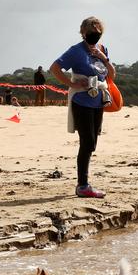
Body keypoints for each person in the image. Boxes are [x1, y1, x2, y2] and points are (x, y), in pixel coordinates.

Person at [49, 16, 116, 199]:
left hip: (98, 100)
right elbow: (54, 68)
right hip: (81, 101)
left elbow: (112, 75)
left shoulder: (102, 49)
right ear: (84, 32)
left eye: (98, 32)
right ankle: (83, 185)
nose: (95, 35)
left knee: (92, 143)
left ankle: (84, 183)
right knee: (86, 142)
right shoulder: (76, 51)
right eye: (92, 32)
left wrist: (104, 58)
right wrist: (73, 84)